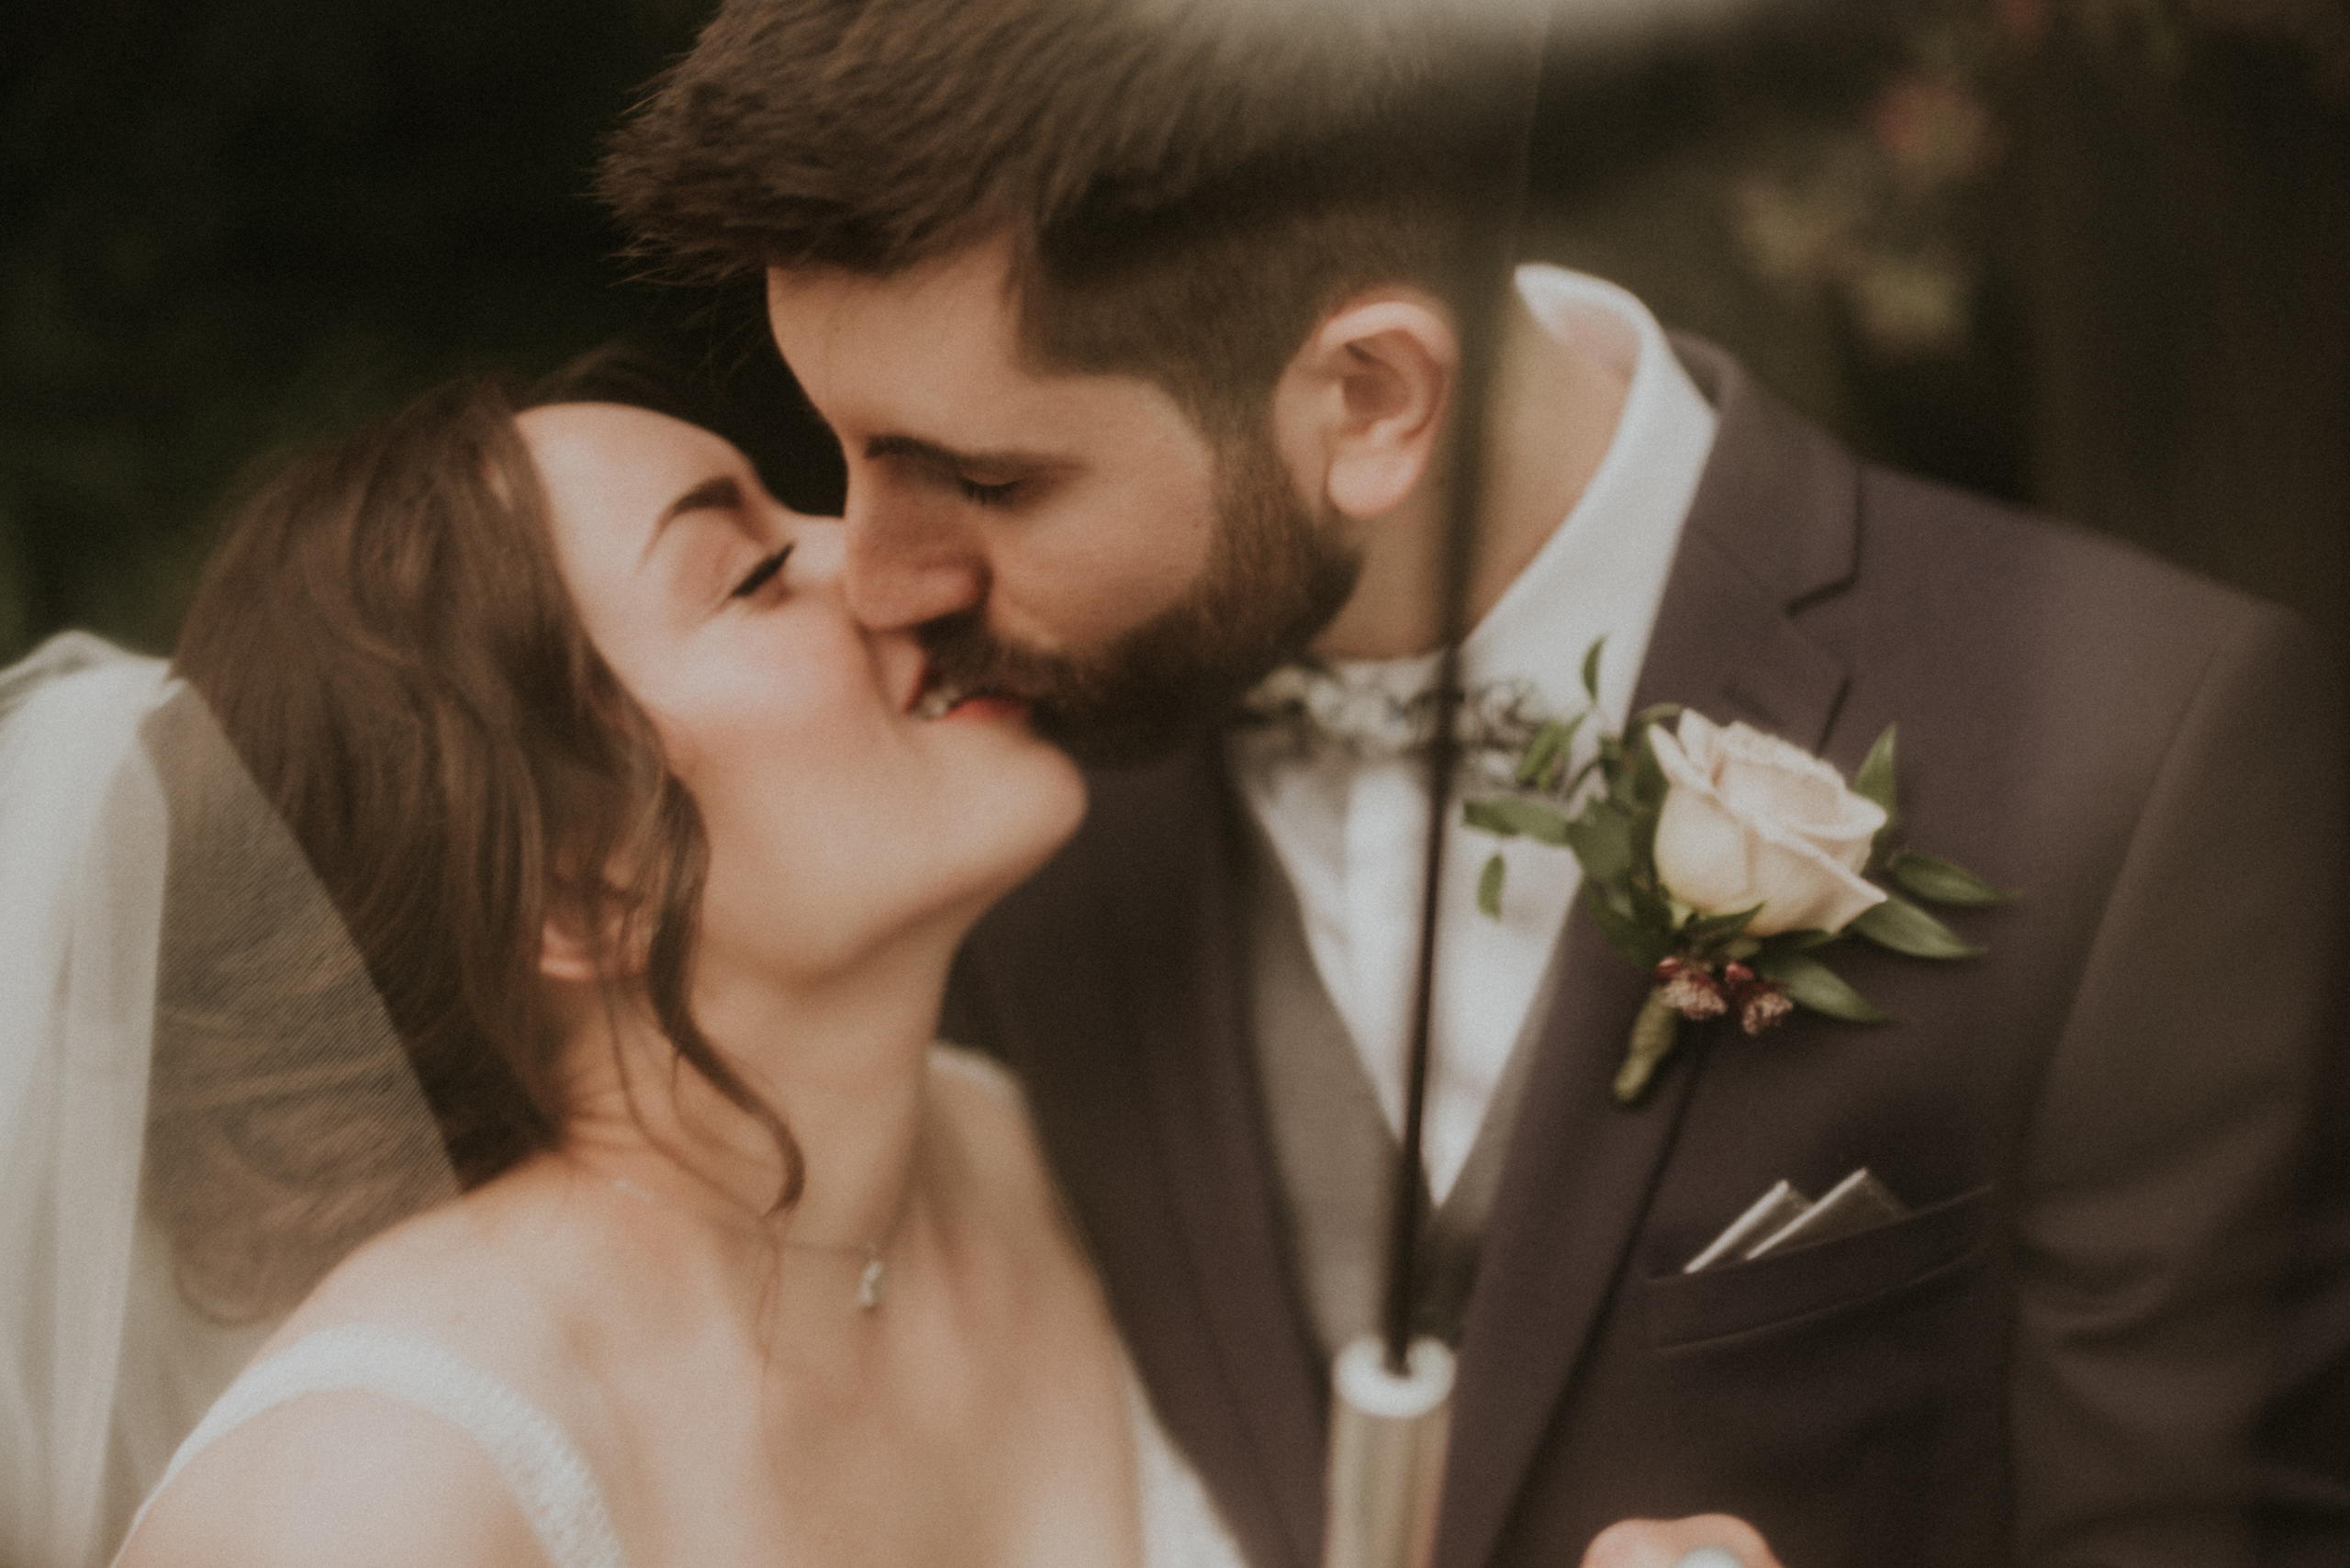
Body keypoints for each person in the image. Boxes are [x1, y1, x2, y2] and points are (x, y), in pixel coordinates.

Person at [598, 2, 2350, 1565]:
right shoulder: (966, 800)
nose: (883, 579)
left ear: (1368, 399)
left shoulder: (2148, 755)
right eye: (845, 447)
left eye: (979, 475)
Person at [0, 377, 1248, 1568]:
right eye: (756, 575)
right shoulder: (377, 1494)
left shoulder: (1055, 1152)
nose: (879, 563)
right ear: (584, 892)